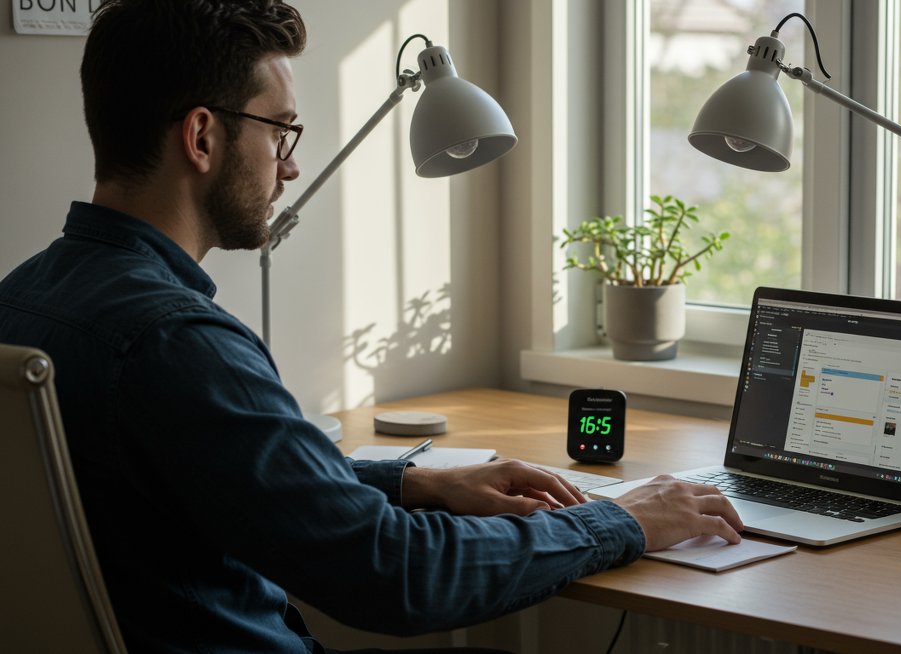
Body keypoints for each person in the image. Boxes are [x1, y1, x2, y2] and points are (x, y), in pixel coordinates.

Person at [0, 1, 744, 652]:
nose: (289, 168)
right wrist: (623, 523)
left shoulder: (23, 300)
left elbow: (208, 478)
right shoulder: (178, 342)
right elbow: (397, 578)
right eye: (280, 132)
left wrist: (415, 483)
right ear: (201, 137)